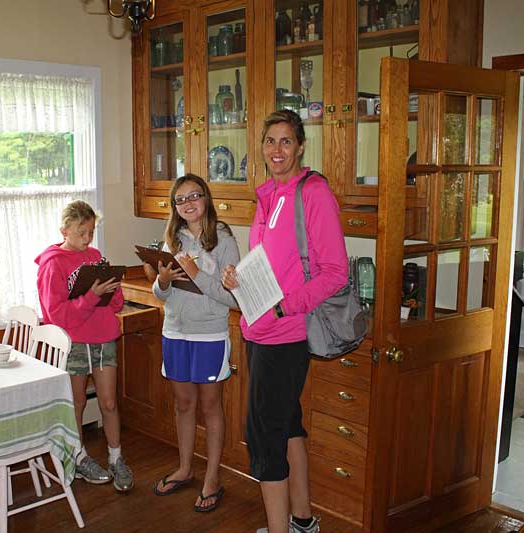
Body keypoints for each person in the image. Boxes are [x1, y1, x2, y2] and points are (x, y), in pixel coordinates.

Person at [221, 110, 347, 533]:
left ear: (301, 146)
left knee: (264, 436)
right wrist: (239, 277)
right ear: (260, 147)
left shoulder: (313, 194)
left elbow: (335, 272)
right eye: (270, 141)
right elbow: (274, 263)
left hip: (285, 334)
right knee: (287, 424)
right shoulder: (268, 195)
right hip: (258, 329)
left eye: (286, 141)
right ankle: (303, 522)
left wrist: (282, 307)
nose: (277, 150)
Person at [150, 174, 240, 513]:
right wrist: (162, 281)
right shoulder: (172, 238)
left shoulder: (224, 238)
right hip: (175, 331)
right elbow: (162, 294)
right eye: (180, 199)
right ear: (175, 206)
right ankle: (186, 469)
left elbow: (234, 297)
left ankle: (212, 478)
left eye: (194, 196)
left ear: (206, 199)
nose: (188, 204)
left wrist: (197, 273)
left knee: (210, 407)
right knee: (184, 405)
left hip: (209, 334)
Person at [35, 200, 134, 492]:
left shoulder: (95, 256)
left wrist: (114, 290)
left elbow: (115, 304)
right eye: (81, 232)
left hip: (103, 337)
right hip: (73, 342)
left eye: (91, 231)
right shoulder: (53, 263)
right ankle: (79, 457)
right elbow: (57, 315)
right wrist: (92, 296)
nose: (87, 239)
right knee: (76, 403)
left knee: (109, 401)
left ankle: (116, 457)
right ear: (64, 230)